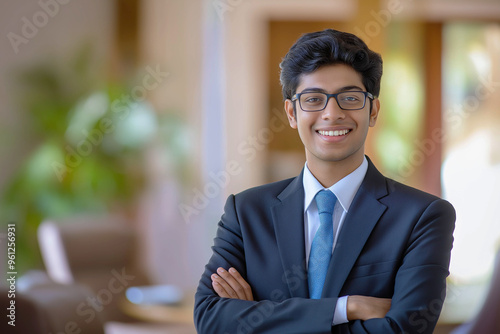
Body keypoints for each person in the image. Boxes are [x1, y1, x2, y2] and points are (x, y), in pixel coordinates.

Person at [193, 28, 455, 334]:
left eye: (350, 98)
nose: (332, 113)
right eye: (314, 99)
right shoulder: (246, 211)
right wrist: (346, 308)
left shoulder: (423, 216)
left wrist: (257, 317)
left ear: (373, 111)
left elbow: (402, 329)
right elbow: (210, 319)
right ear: (292, 113)